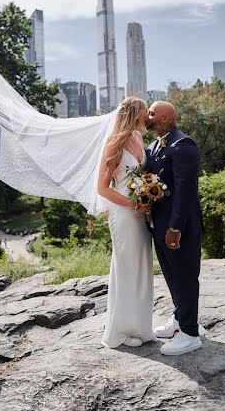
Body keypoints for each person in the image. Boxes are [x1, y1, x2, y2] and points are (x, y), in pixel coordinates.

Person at [145, 101, 203, 356]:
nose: (147, 117)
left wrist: (175, 227)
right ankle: (180, 319)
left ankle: (190, 333)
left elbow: (186, 190)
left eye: (151, 113)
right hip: (159, 225)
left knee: (185, 277)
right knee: (171, 275)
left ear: (166, 118)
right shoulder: (156, 145)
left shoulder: (184, 145)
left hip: (180, 228)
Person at [97, 97, 156, 348]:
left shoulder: (140, 139)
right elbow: (102, 188)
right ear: (135, 114)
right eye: (145, 113)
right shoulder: (113, 144)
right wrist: (133, 204)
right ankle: (122, 330)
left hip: (141, 213)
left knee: (142, 267)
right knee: (126, 267)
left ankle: (141, 327)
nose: (148, 118)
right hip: (124, 214)